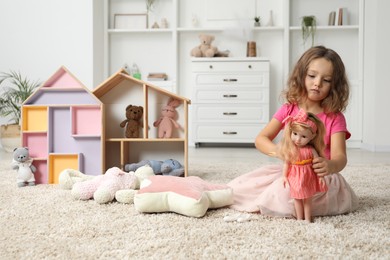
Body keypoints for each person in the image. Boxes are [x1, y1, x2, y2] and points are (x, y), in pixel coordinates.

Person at [227, 46, 358, 218]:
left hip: (320, 178)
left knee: (285, 195)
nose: (317, 83)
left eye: (326, 80)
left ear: (335, 85)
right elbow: (261, 139)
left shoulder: (335, 118)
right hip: (293, 171)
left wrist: (331, 165)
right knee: (241, 188)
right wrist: (279, 151)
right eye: (312, 76)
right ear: (301, 75)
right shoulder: (289, 110)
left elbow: (340, 157)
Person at [280, 109, 328, 222]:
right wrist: (284, 176)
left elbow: (317, 164)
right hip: (295, 176)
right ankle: (299, 218)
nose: (298, 139)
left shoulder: (311, 150)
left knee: (308, 199)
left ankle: (307, 218)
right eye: (295, 134)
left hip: (308, 176)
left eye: (303, 136)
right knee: (297, 198)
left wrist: (320, 177)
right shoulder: (291, 149)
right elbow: (286, 163)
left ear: (312, 136)